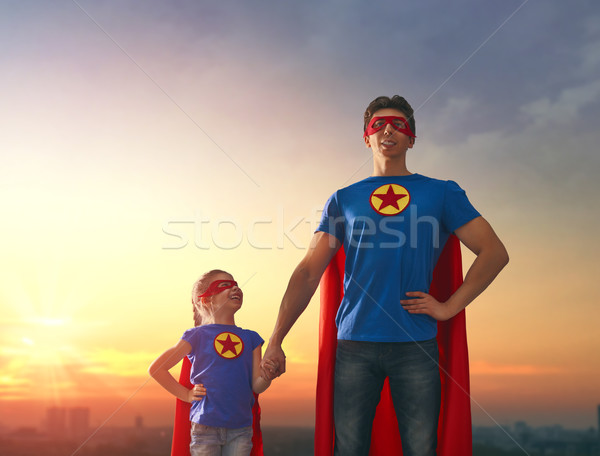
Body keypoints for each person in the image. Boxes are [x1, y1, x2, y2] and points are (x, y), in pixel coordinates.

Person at [261, 95, 509, 456]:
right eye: (378, 125)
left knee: (422, 450)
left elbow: (494, 253)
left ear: (412, 138)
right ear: (366, 138)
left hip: (416, 344)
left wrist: (449, 306)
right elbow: (308, 271)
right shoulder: (342, 198)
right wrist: (276, 338)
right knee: (348, 449)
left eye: (399, 124)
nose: (388, 130)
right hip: (354, 344)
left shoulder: (442, 193)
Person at [149, 269, 275, 456]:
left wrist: (267, 375)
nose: (235, 288)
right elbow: (157, 369)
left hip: (241, 429)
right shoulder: (196, 336)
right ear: (206, 300)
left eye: (236, 285)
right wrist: (186, 394)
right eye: (225, 285)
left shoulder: (252, 338)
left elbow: (257, 385)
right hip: (205, 428)